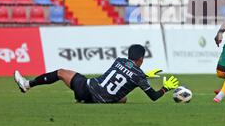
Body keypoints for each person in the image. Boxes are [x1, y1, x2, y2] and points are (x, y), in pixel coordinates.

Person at [14, 44, 180, 104]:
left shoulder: (119, 61)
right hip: (101, 100)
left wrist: (143, 75)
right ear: (141, 59)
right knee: (122, 98)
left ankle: (27, 85)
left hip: (86, 89)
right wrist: (165, 88)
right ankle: (85, 101)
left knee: (60, 73)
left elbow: (125, 73)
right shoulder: (139, 76)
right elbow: (153, 97)